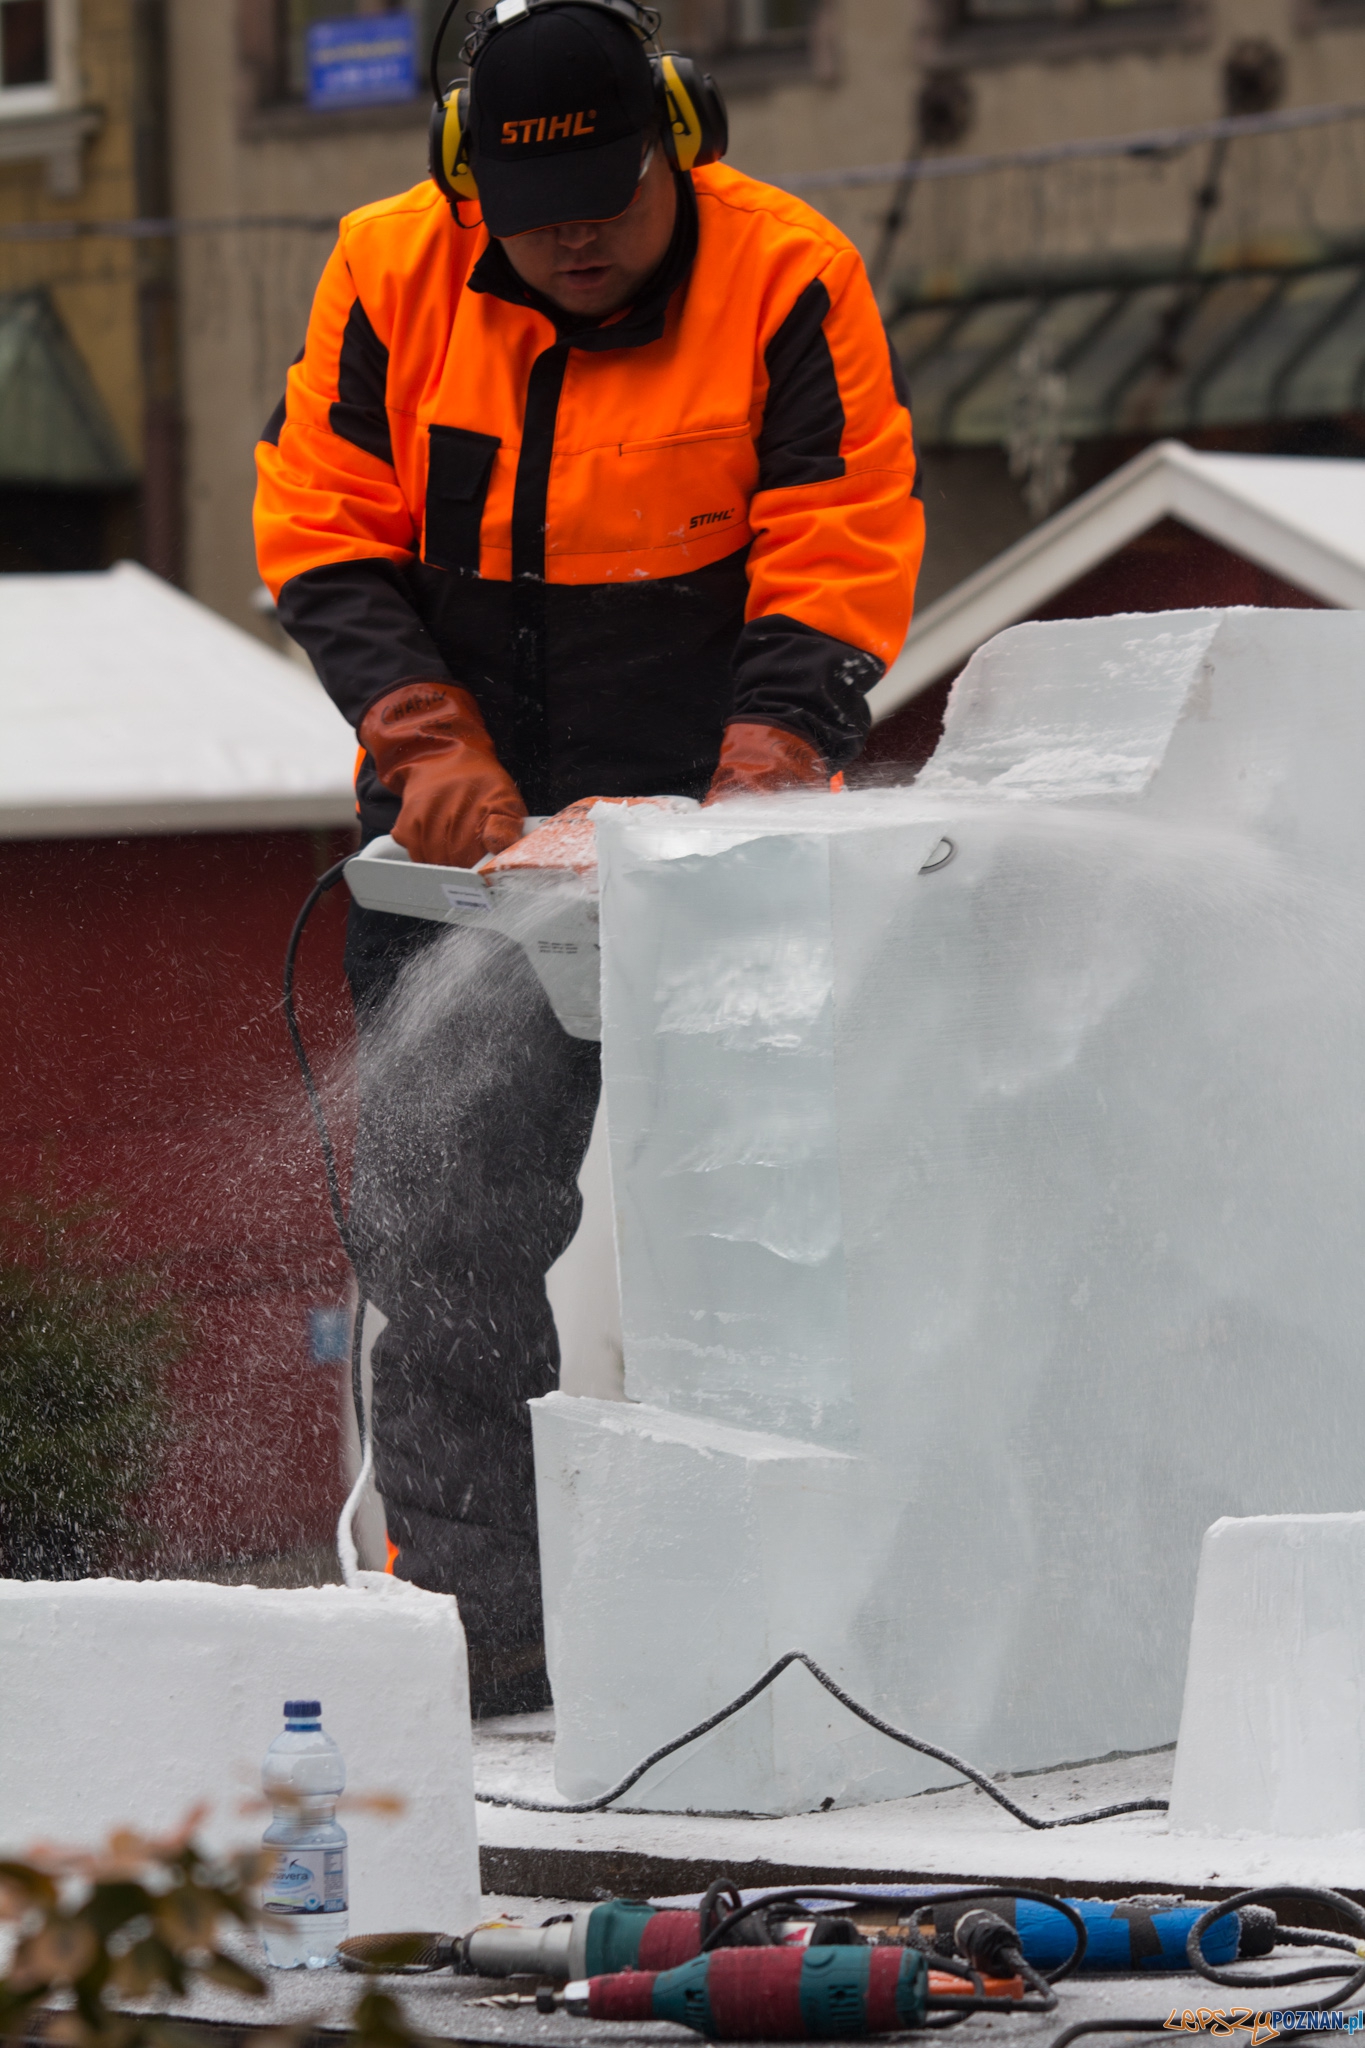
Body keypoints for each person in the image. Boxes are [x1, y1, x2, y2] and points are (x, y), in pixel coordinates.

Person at [254, 0, 924, 1715]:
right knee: (446, 1224)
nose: (574, 244)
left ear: (676, 147)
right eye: (535, 217)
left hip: (718, 798)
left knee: (787, 1222)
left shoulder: (785, 278)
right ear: (465, 181)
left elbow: (840, 539)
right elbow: (320, 530)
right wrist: (426, 746)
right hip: (466, 812)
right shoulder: (386, 272)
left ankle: (834, 1612)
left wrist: (762, 774)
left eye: (609, 209)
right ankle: (486, 1628)